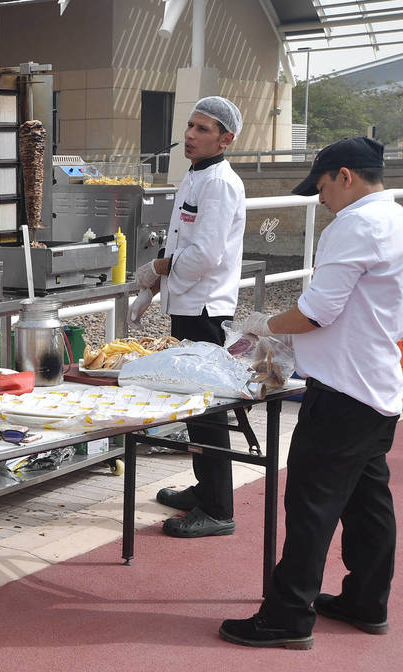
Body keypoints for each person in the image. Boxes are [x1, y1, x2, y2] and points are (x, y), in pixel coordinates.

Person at [219, 137, 402, 649]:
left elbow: (317, 311)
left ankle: (286, 617)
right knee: (368, 505)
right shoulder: (395, 219)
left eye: (320, 186)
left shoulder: (355, 225)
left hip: (342, 391)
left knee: (310, 505)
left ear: (345, 176)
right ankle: (366, 602)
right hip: (379, 387)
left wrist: (264, 325)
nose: (318, 198)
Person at [129, 96, 246, 538]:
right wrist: (154, 287)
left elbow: (204, 256)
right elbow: (182, 240)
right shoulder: (195, 176)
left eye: (202, 129)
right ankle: (204, 488)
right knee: (194, 405)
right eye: (190, 126)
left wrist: (157, 270)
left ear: (226, 138)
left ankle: (218, 509)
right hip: (186, 303)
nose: (190, 135)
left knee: (209, 406)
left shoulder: (220, 183)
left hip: (205, 309)